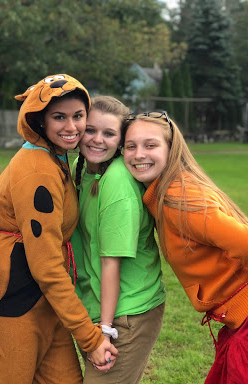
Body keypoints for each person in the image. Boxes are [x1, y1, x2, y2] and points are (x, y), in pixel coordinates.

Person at [0, 74, 118, 384]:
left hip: (46, 300)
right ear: (40, 121)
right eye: (59, 117)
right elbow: (46, 264)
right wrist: (90, 338)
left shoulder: (55, 157)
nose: (72, 127)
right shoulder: (37, 169)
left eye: (78, 116)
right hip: (15, 296)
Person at [123, 111, 248, 383]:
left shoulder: (178, 196)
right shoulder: (165, 193)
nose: (138, 154)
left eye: (151, 145)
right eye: (130, 146)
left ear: (171, 148)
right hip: (243, 320)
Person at [71, 96, 166, 384]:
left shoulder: (116, 182)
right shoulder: (80, 167)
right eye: (91, 130)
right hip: (93, 306)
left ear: (120, 141)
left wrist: (105, 328)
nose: (97, 140)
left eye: (109, 134)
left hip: (125, 314)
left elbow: (111, 260)